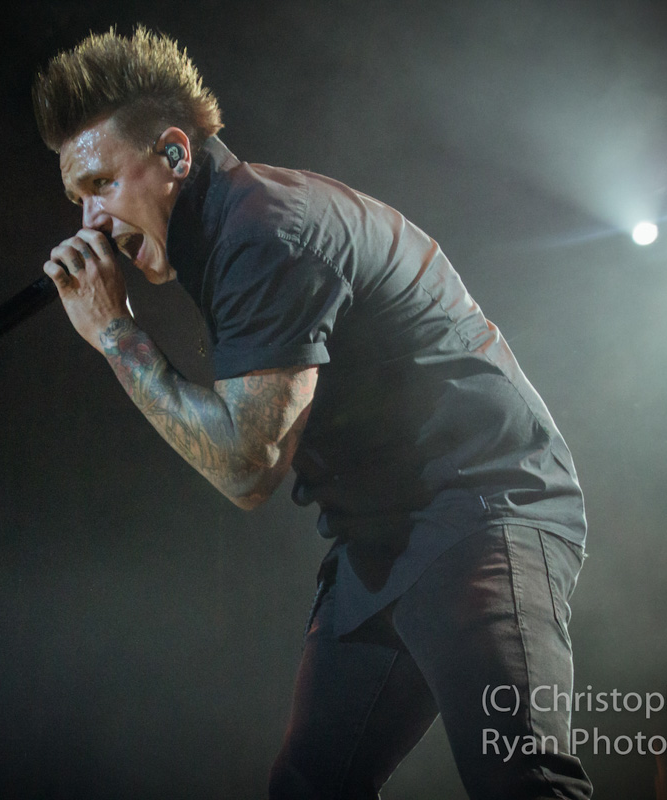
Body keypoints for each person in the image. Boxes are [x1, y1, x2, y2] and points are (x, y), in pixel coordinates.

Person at [32, 26, 592, 800]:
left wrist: (114, 333)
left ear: (174, 155)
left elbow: (246, 469)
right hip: (382, 536)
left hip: (482, 513)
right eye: (77, 198)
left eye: (99, 184)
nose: (88, 222)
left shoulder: (266, 231)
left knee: (521, 780)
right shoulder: (225, 233)